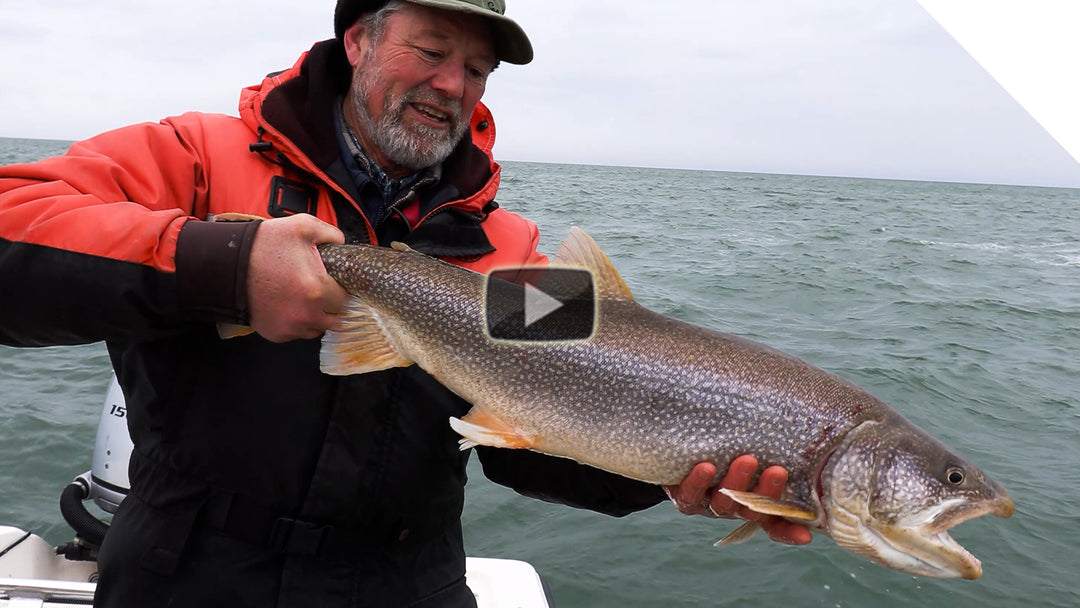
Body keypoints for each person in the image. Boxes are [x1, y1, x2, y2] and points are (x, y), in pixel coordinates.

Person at [0, 1, 809, 606]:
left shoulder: (507, 252)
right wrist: (227, 263)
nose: (452, 85)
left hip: (402, 584)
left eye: (478, 69)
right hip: (184, 575)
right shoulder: (197, 157)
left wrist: (667, 469)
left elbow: (529, 435)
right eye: (431, 49)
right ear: (357, 41)